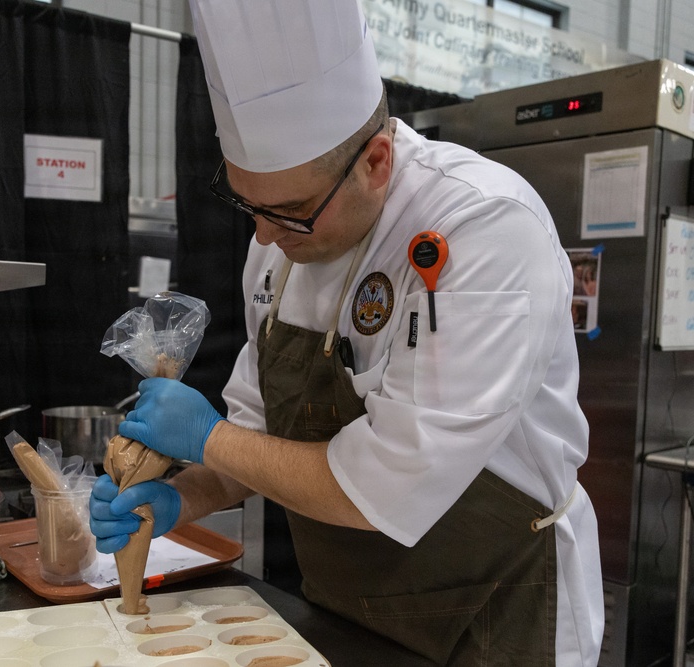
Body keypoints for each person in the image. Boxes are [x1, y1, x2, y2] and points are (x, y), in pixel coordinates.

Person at [89, 1, 604, 664]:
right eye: (248, 204)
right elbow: (255, 450)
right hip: (343, 612)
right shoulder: (277, 243)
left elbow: (388, 486)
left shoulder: (486, 232)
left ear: (378, 161)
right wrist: (176, 499)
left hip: (489, 611)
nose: (265, 236)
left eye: (292, 213)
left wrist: (208, 436)